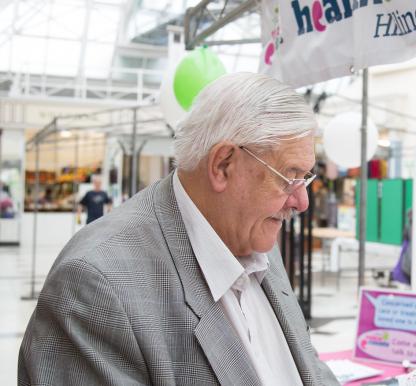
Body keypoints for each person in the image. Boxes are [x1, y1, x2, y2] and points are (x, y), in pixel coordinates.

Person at [19, 73, 338, 385]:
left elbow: (306, 366)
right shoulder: (97, 286)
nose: (301, 201)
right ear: (223, 165)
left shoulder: (256, 237)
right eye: (289, 176)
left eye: (305, 178)